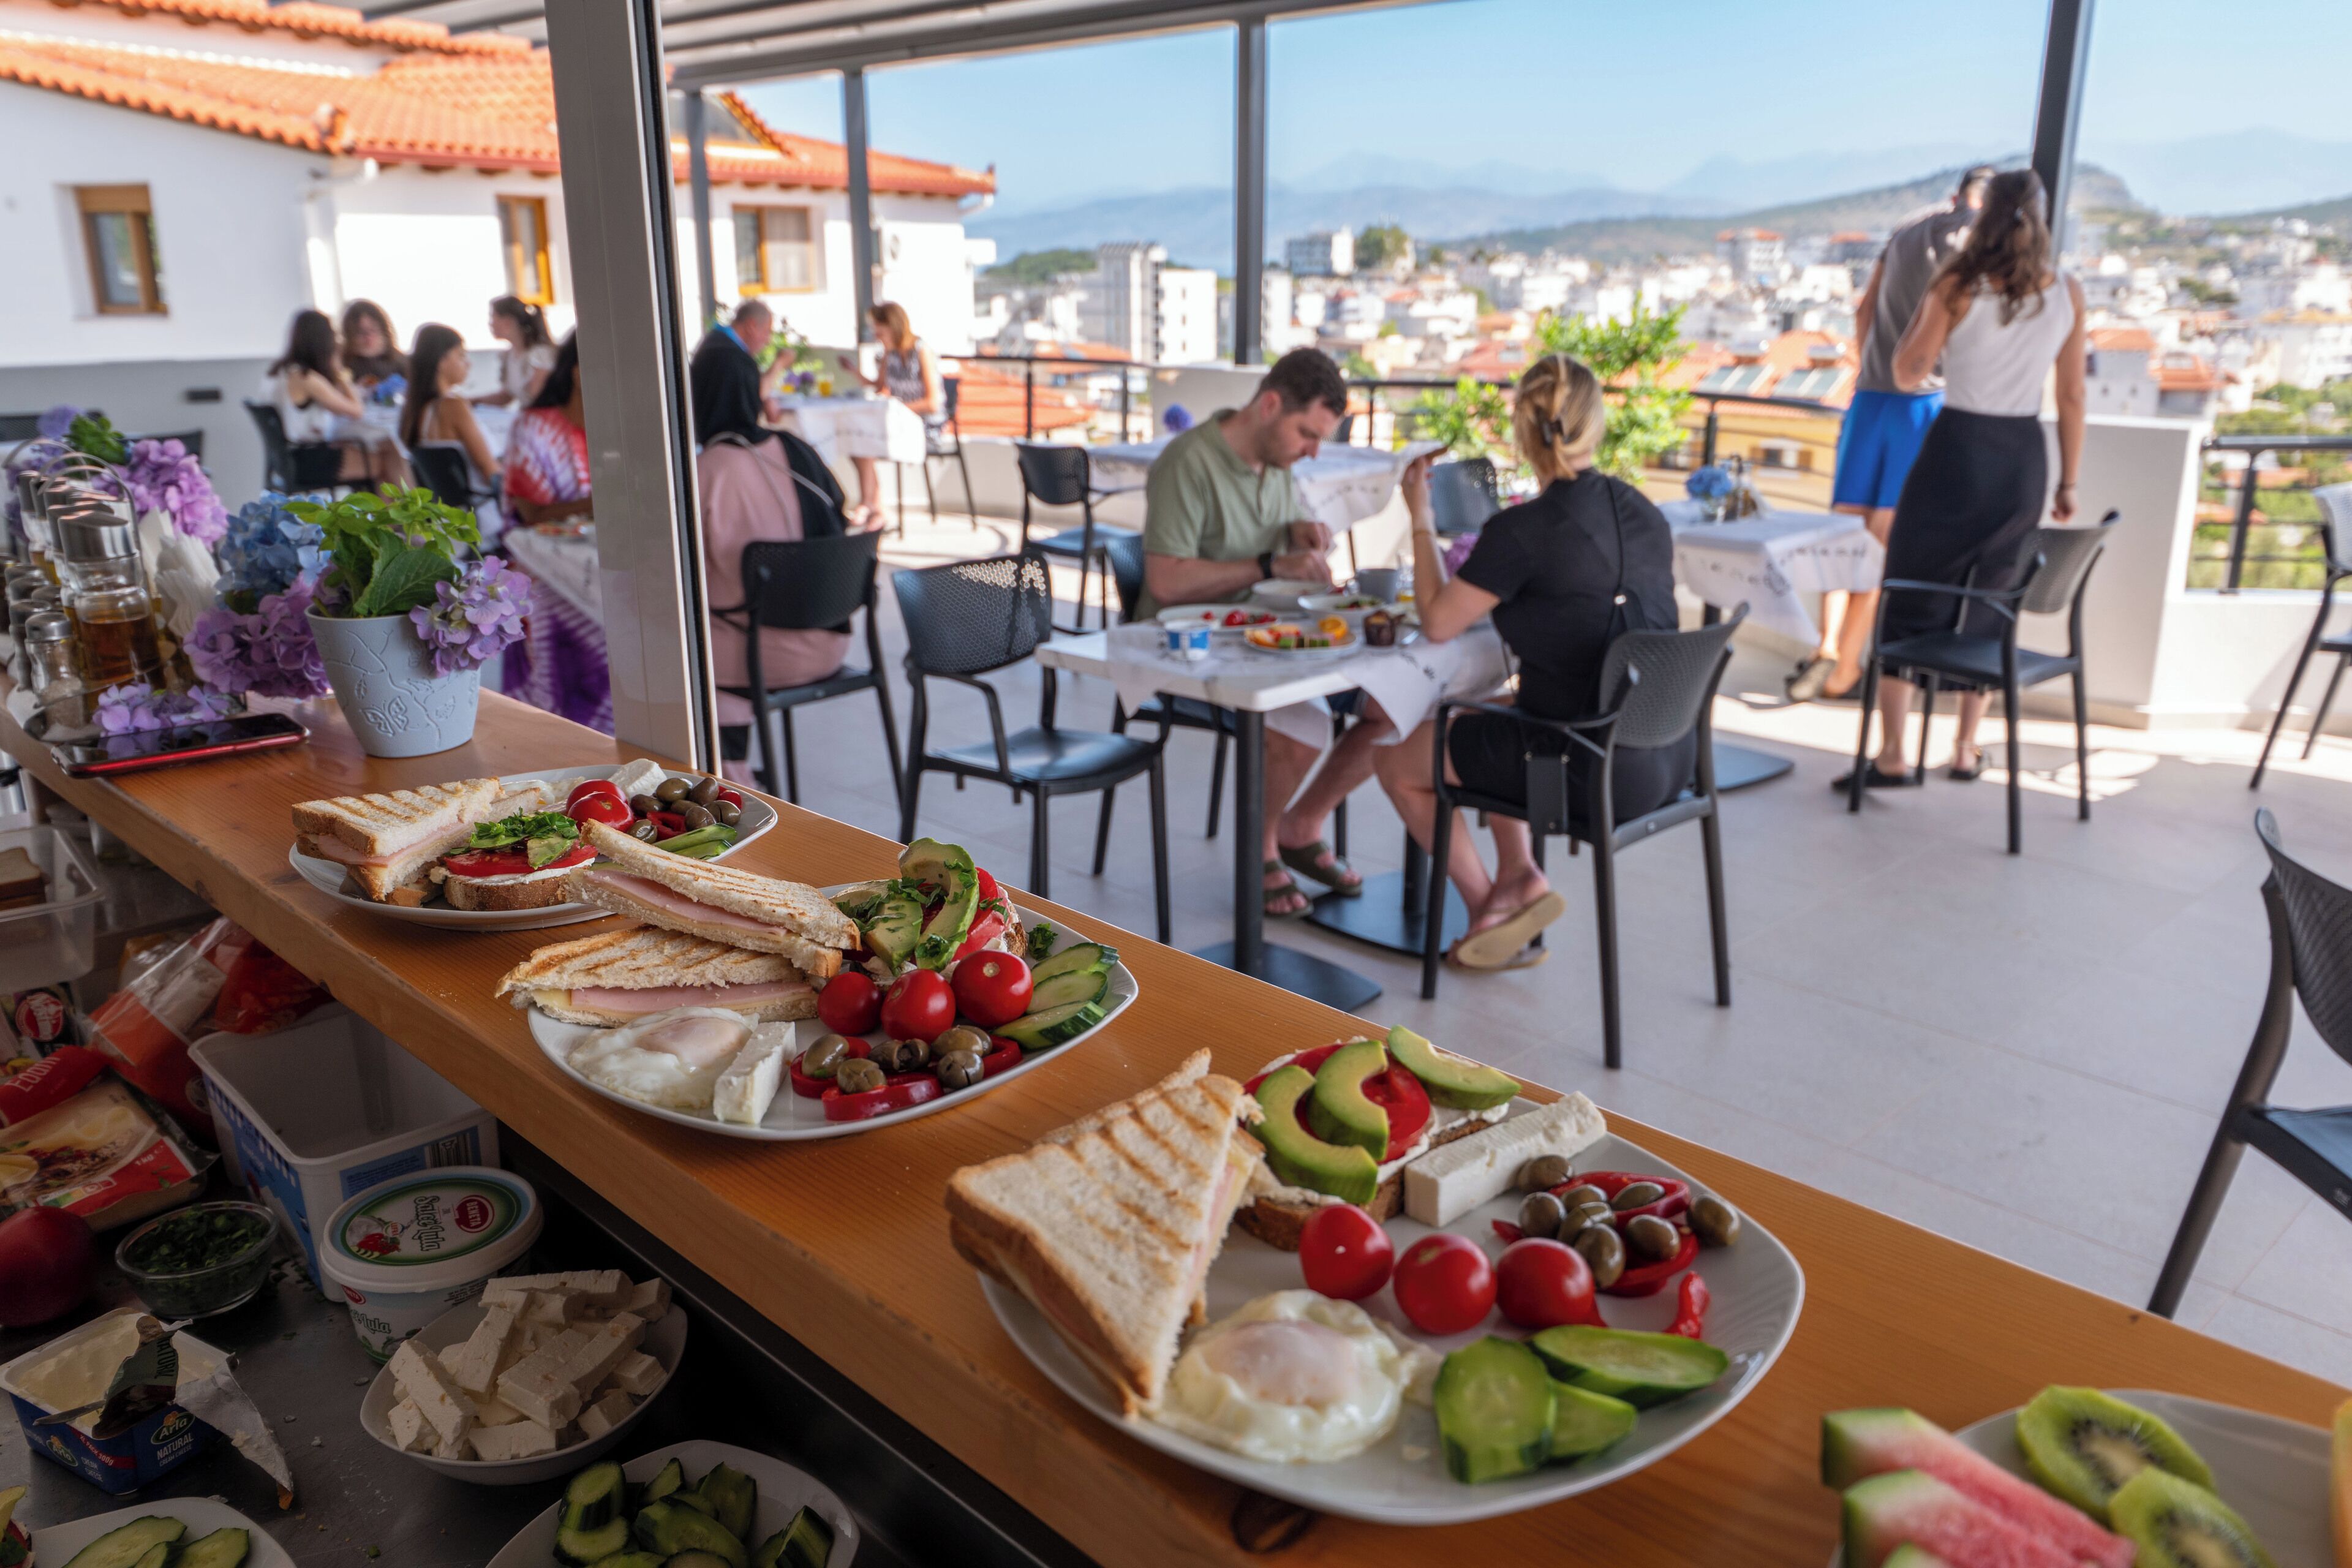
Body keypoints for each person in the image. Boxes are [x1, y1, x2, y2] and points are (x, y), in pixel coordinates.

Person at [1373, 353, 1686, 971]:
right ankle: (1520, 875)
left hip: (1586, 769)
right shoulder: (1646, 512)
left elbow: (1437, 620)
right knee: (1495, 714)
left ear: (1522, 430)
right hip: (1665, 755)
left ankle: (1485, 905)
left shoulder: (1522, 532)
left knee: (1395, 755)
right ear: (1596, 424)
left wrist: (1420, 516)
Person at [1842, 167, 2087, 788]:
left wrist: (1927, 326)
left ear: (1983, 218)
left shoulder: (1956, 284)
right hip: (2023, 456)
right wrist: (2068, 485)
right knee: (1995, 598)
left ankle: (1894, 754)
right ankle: (1965, 748)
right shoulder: (2066, 292)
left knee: (1910, 589)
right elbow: (2074, 396)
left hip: (1955, 449)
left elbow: (1906, 373)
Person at [1139, 347, 1376, 918]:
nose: (1314, 451)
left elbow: (1274, 535)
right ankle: (1262, 848)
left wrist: (1298, 531)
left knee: (1391, 704)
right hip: (1186, 648)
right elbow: (1166, 582)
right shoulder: (1187, 462)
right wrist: (1272, 564)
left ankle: (1302, 824)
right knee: (1304, 727)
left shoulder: (1278, 466)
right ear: (1269, 405)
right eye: (1307, 433)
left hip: (1261, 636)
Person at [1791, 165, 1994, 703]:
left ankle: (1827, 645)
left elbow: (1864, 310)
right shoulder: (1979, 249)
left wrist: (1871, 364)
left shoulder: (1905, 232)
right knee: (1882, 542)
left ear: (1956, 195)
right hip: (1920, 403)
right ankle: (1846, 669)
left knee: (1842, 534)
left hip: (1869, 398)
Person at [700, 412, 856, 786]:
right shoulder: (798, 450)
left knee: (684, 651)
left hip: (761, 658)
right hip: (830, 642)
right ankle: (732, 771)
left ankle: (726, 780)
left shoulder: (706, 469)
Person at [260, 309, 404, 487]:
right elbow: (357, 410)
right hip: (309, 461)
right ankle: (410, 512)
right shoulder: (306, 378)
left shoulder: (278, 372)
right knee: (390, 459)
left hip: (289, 458)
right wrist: (340, 372)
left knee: (386, 450)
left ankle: (393, 513)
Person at [836, 301, 942, 526]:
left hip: (924, 426)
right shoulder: (889, 353)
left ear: (892, 325)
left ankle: (872, 506)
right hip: (898, 422)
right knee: (856, 438)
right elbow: (879, 387)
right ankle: (874, 507)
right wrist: (853, 372)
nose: (875, 334)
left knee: (861, 439)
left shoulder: (922, 350)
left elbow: (933, 403)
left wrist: (898, 409)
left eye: (878, 328)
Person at [401, 324, 502, 521]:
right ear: (442, 361)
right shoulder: (453, 406)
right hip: (482, 513)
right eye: (461, 355)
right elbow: (488, 469)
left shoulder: (416, 410)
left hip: (447, 517)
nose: (468, 364)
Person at [503, 334, 592, 529]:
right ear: (579, 375)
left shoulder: (623, 431)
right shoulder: (534, 430)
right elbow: (533, 515)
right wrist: (608, 504)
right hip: (548, 554)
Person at [690, 300, 775, 448]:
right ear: (751, 326)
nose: (767, 340)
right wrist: (779, 364)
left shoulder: (715, 343)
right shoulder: (731, 357)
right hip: (720, 447)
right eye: (767, 332)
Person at [478, 296, 557, 409]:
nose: (490, 324)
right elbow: (507, 396)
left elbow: (541, 400)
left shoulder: (541, 356)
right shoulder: (509, 356)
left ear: (508, 322)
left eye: (493, 317)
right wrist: (474, 400)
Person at [339, 300, 406, 391]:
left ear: (384, 330)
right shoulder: (341, 365)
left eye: (373, 330)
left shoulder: (401, 361)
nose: (369, 338)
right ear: (350, 336)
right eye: (361, 333)